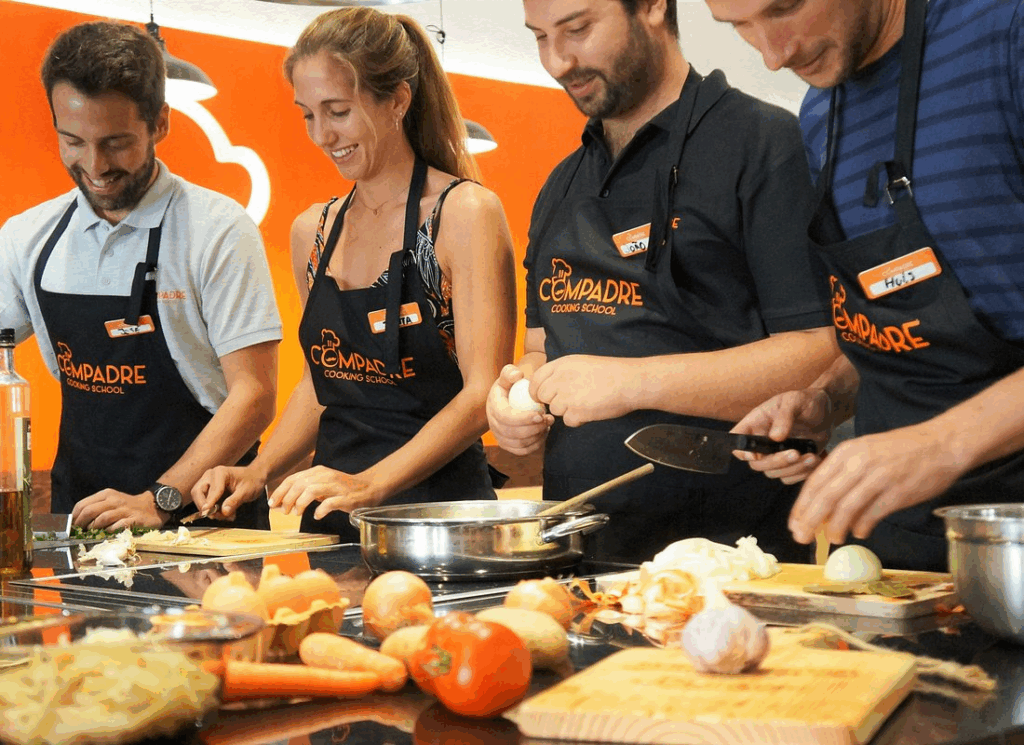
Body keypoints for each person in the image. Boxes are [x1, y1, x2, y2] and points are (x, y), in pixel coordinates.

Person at [485, 0, 838, 564]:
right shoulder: (561, 183)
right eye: (541, 37)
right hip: (573, 555)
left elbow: (820, 351)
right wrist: (516, 398)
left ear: (652, 7)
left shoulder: (765, 143)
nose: (557, 61)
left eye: (577, 29)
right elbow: (542, 346)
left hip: (729, 562)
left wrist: (629, 383)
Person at [705, 0, 1024, 571]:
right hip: (903, 555)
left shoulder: (1006, 35)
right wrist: (828, 400)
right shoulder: (821, 114)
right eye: (739, 26)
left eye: (784, 8)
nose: (773, 56)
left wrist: (943, 443)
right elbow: (896, 313)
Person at [193, 8, 516, 541]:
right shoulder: (313, 231)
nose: (322, 135)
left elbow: (482, 392)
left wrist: (370, 484)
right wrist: (259, 470)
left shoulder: (464, 213)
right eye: (308, 115)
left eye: (337, 111)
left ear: (398, 101)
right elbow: (319, 384)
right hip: (331, 520)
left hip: (440, 520)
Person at [0, 22, 281, 531]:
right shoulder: (28, 236)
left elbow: (255, 395)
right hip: (82, 521)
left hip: (207, 524)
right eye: (73, 141)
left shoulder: (217, 229)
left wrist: (160, 500)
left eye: (116, 143)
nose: (95, 165)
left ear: (160, 124)